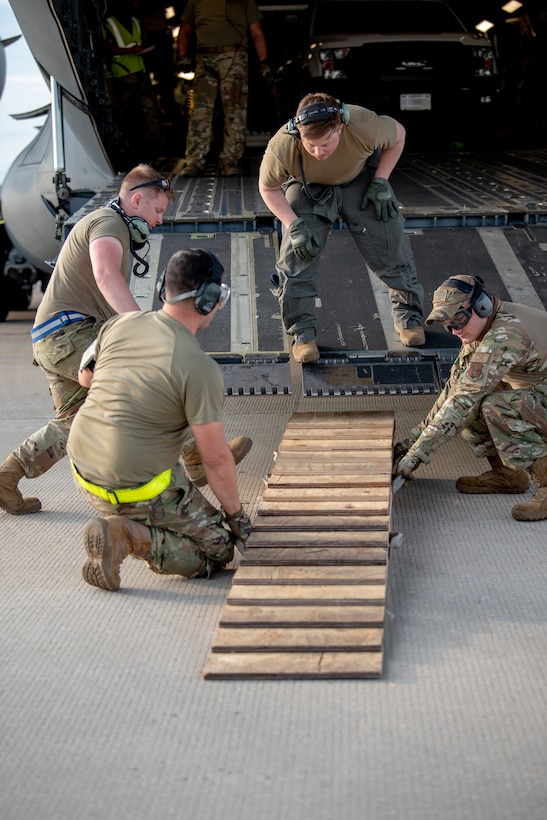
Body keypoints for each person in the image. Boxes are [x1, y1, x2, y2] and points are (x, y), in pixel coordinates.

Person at [67, 248, 252, 590]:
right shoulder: (199, 368)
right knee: (218, 550)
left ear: (162, 290)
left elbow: (85, 377)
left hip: (83, 470)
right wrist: (236, 517)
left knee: (165, 427)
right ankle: (126, 535)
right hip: (137, 486)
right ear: (209, 299)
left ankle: (127, 518)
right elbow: (214, 458)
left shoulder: (119, 324)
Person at [0, 165, 174, 517]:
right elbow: (106, 275)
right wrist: (143, 328)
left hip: (57, 336)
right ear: (136, 199)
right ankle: (198, 459)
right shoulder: (109, 223)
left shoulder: (114, 225)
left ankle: (6, 477)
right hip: (69, 334)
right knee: (147, 384)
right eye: (157, 212)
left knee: (75, 421)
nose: (158, 222)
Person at [258, 91, 426, 363]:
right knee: (296, 257)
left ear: (339, 126)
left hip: (359, 180)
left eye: (325, 144)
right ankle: (303, 334)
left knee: (390, 244)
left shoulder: (362, 124)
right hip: (308, 187)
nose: (317, 152)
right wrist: (294, 225)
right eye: (310, 145)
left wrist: (381, 181)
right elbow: (267, 187)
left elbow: (399, 135)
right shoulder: (283, 146)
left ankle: (408, 318)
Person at [393, 274, 547, 522]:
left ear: (482, 306)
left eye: (459, 321)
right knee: (472, 404)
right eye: (449, 326)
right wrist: (414, 440)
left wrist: (418, 453)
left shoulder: (505, 334)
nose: (455, 331)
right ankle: (507, 474)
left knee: (497, 406)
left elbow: (463, 399)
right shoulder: (481, 330)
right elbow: (455, 391)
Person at [176, 0, 272, 177]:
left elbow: (257, 32)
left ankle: (230, 160)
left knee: (235, 111)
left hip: (235, 56)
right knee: (201, 111)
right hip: (205, 58)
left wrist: (264, 62)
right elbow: (185, 30)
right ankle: (195, 161)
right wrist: (182, 56)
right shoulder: (195, 2)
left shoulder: (243, 2)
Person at [103, 0, 162, 161]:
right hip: (122, 73)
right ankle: (134, 152)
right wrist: (127, 50)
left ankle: (152, 150)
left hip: (140, 71)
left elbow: (144, 39)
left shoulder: (136, 22)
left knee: (149, 112)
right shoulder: (109, 23)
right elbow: (106, 48)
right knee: (130, 115)